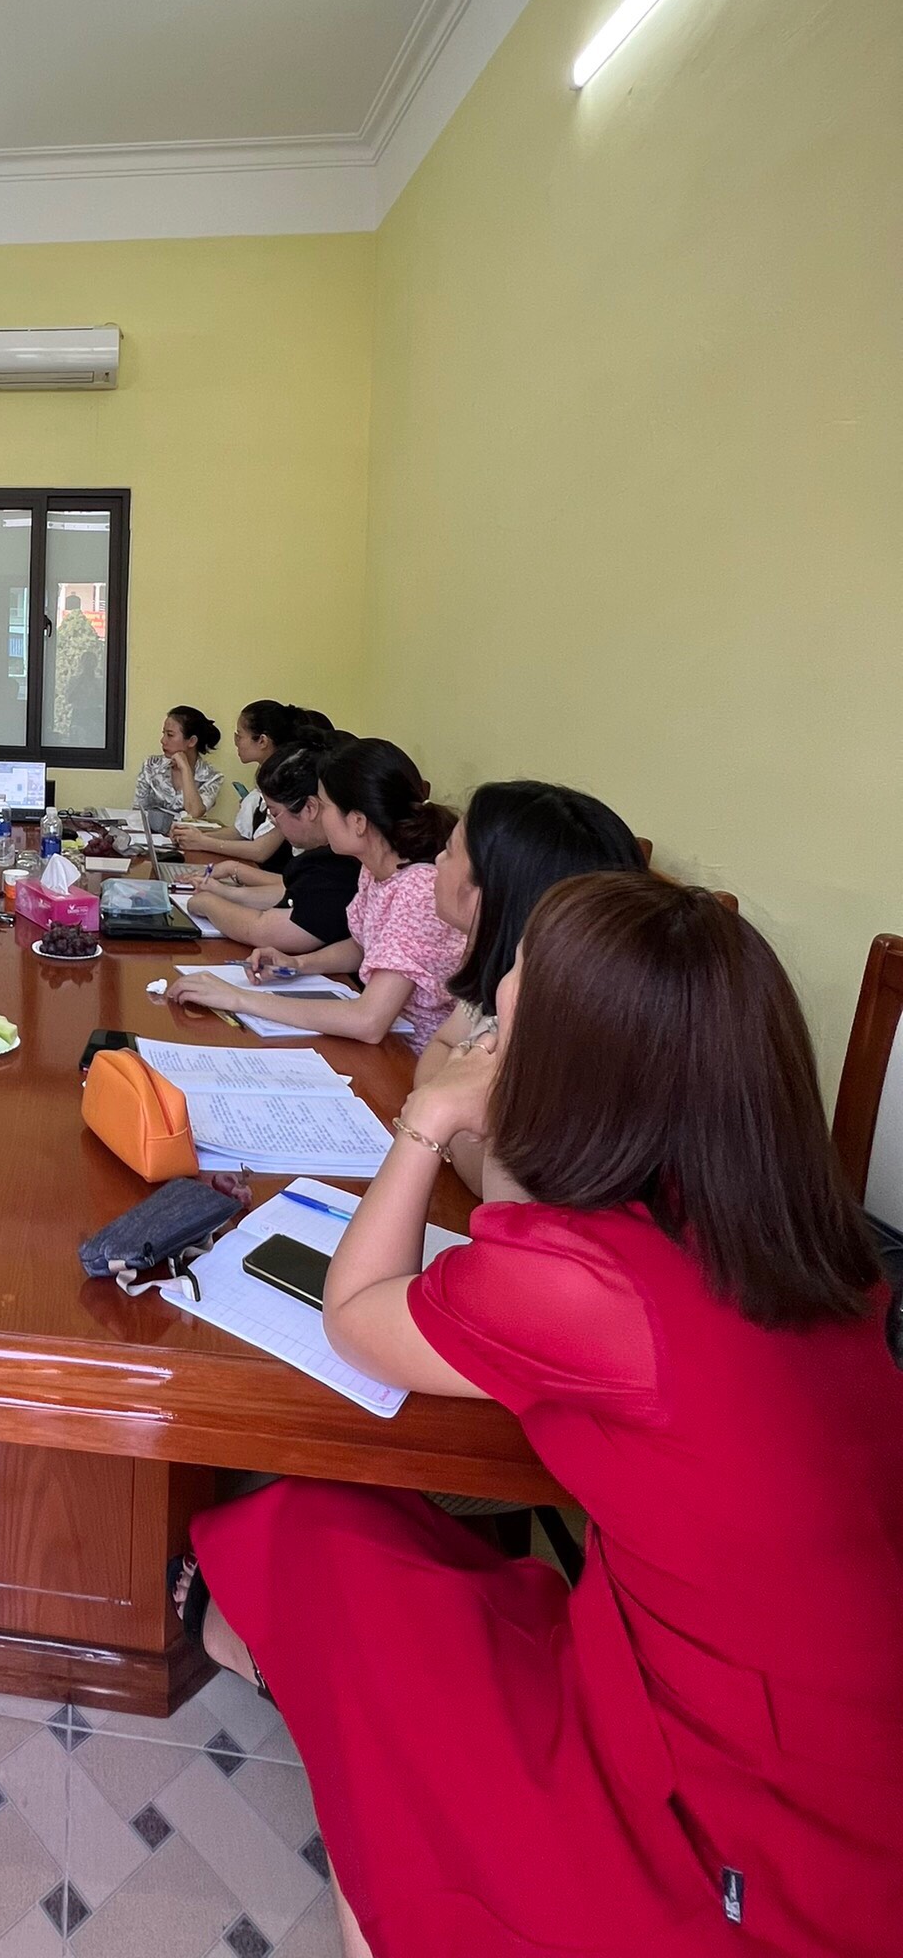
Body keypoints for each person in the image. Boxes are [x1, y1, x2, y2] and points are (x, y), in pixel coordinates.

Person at [175, 873, 903, 1958]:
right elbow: (523, 1220)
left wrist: (428, 1119)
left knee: (327, 1559)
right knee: (355, 1545)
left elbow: (357, 1318)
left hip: (745, 1825)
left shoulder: (592, 1288)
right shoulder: (796, 1232)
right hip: (830, 1728)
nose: (488, 1025)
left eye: (510, 1022)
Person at [412, 781, 647, 1198]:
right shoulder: (500, 974)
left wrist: (439, 1116)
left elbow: (498, 1183)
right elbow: (441, 1046)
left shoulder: (552, 1025)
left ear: (487, 892)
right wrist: (445, 1112)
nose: (437, 861)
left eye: (448, 850)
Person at [166, 737, 461, 1049]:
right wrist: (299, 965)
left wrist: (238, 998)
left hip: (410, 1056)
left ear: (358, 821)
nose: (319, 815)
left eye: (325, 806)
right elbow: (365, 944)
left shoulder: (417, 890)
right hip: (385, 1043)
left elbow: (368, 1021)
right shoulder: (376, 869)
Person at [181, 744, 361, 960]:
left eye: (274, 813)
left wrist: (204, 903)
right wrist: (227, 892)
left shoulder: (339, 862)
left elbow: (264, 931)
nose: (273, 822)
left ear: (310, 808)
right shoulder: (325, 857)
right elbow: (293, 895)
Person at [173, 700, 335, 869]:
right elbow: (241, 831)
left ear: (263, 741)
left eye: (239, 735)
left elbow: (261, 850)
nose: (236, 742)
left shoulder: (289, 788)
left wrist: (203, 842)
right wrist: (193, 837)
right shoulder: (264, 782)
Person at [135, 706, 225, 826]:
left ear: (192, 741)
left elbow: (195, 813)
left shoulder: (212, 777)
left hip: (188, 836)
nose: (163, 740)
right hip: (151, 834)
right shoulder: (151, 766)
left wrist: (185, 768)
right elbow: (138, 811)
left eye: (170, 735)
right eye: (163, 733)